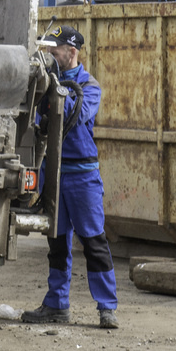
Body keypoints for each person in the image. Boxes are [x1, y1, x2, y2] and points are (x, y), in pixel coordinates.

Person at [23, 25, 119, 329]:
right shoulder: (45, 84)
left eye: (55, 50)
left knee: (93, 241)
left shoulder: (89, 87)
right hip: (54, 171)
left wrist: (52, 90)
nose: (50, 54)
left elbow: (74, 116)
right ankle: (56, 304)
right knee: (57, 242)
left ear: (71, 52)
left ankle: (107, 308)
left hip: (82, 175)